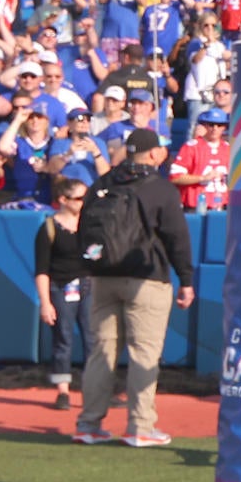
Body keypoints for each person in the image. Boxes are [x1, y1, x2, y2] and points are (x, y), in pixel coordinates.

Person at [74, 128, 194, 448]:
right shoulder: (160, 188)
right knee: (144, 354)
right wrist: (187, 280)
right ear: (154, 154)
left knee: (101, 352)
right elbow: (177, 238)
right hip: (147, 278)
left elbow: (83, 227)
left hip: (102, 277)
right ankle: (140, 426)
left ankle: (88, 424)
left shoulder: (103, 182)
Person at [34, 178, 92, 410]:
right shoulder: (49, 228)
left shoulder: (90, 225)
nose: (83, 203)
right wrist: (45, 303)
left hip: (88, 286)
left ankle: (95, 391)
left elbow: (99, 256)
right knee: (63, 339)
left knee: (94, 339)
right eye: (79, 198)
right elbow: (41, 270)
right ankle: (63, 392)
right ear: (63, 200)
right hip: (61, 287)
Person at [168, 107, 231, 213]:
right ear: (205, 125)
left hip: (222, 206)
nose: (215, 128)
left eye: (219, 125)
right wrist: (202, 178)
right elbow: (175, 177)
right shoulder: (191, 147)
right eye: (211, 124)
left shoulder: (228, 148)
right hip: (194, 207)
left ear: (224, 127)